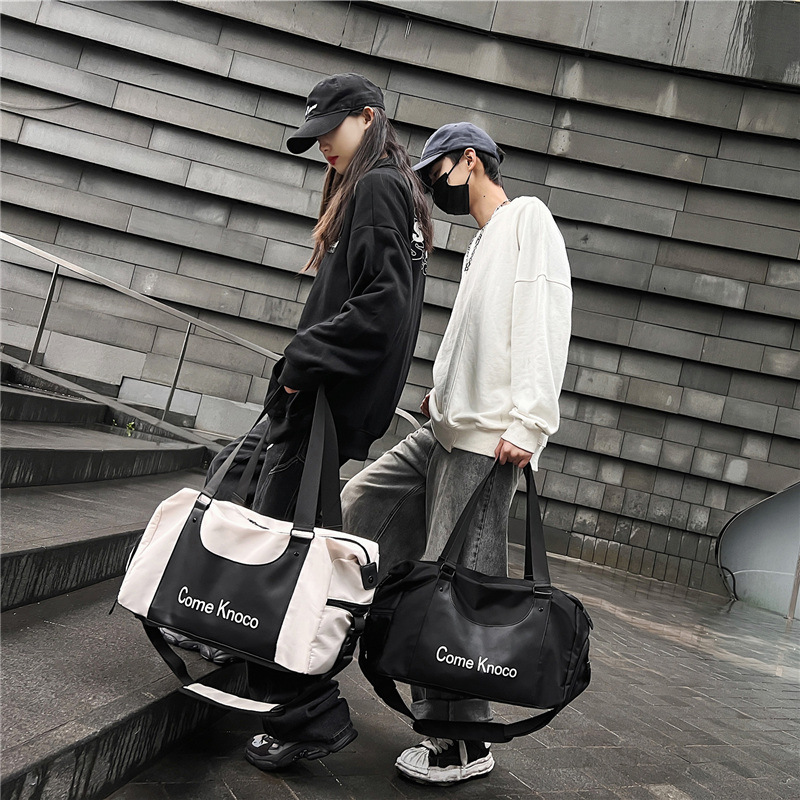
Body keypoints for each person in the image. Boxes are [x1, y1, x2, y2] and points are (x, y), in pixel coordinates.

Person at [196, 73, 433, 771]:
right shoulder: (393, 189)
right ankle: (277, 683)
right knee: (291, 546)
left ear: (370, 118)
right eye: (316, 134)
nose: (324, 144)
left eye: (332, 129)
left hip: (324, 403)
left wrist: (304, 358)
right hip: (332, 404)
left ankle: (308, 711)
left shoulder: (378, 188)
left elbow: (384, 308)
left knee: (288, 558)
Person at [340, 122, 573, 785]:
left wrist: (530, 423)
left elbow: (544, 317)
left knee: (458, 589)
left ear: (471, 160)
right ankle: (333, 639)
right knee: (361, 505)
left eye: (437, 170)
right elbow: (478, 335)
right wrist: (440, 391)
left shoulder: (527, 219)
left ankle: (462, 741)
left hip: (487, 443)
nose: (432, 186)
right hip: (445, 430)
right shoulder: (481, 242)